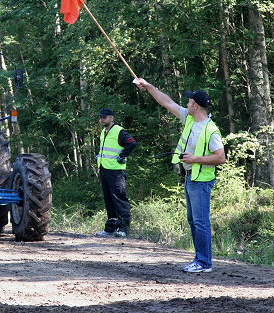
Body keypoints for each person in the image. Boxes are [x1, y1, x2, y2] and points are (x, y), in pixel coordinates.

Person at [134, 78, 225, 273]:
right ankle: (199, 259)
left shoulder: (211, 130)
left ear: (197, 106)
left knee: (201, 222)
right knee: (194, 221)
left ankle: (204, 263)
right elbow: (166, 102)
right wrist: (148, 86)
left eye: (190, 102)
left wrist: (194, 159)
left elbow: (220, 158)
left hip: (201, 181)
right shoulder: (190, 118)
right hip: (190, 178)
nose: (187, 104)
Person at [95, 107, 137, 238]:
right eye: (101, 117)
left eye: (104, 117)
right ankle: (110, 228)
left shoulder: (119, 131)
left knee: (119, 199)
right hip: (105, 169)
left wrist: (122, 156)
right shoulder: (104, 132)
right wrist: (99, 156)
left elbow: (131, 143)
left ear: (111, 118)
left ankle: (124, 228)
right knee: (109, 200)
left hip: (116, 171)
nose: (102, 119)